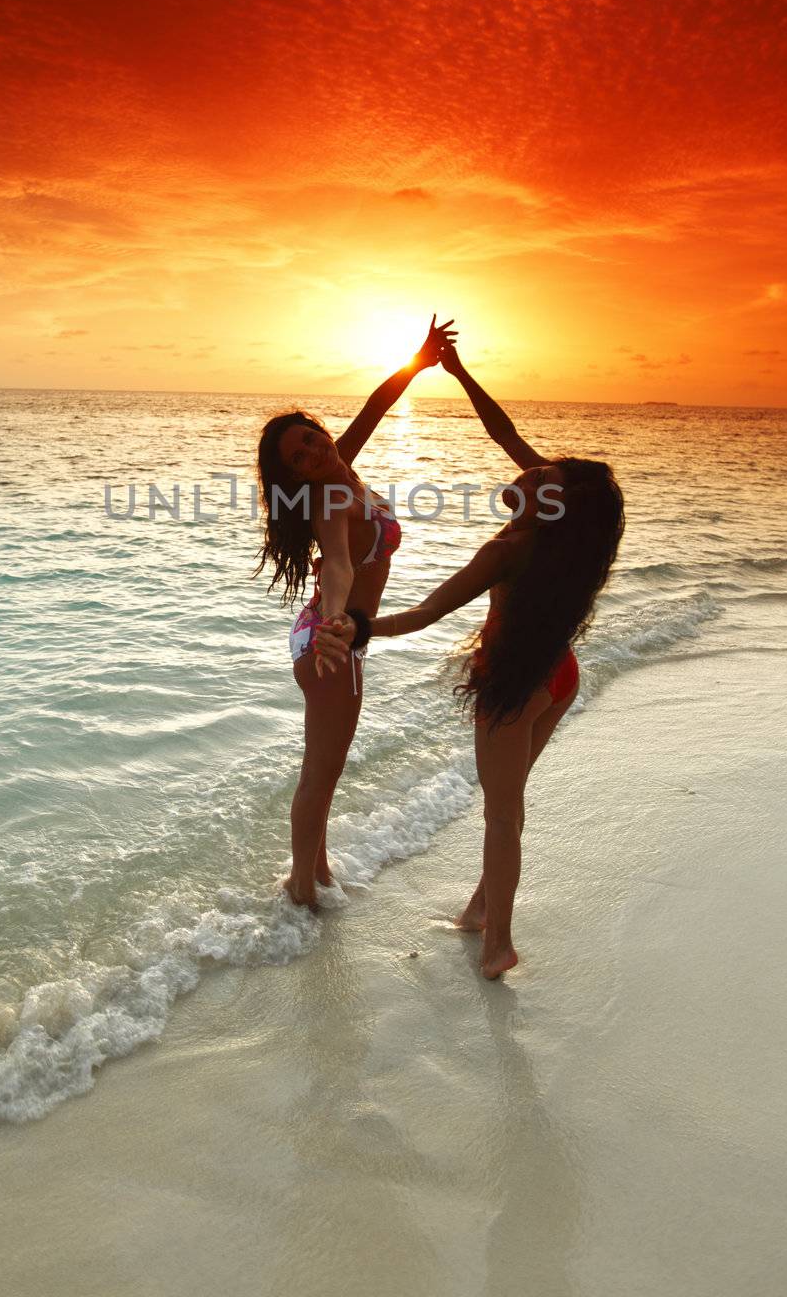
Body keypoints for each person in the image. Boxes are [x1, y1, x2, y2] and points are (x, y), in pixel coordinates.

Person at [315, 337, 625, 976]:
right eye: (539, 468)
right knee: (509, 804)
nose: (528, 472)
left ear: (553, 506)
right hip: (559, 673)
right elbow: (505, 433)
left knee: (501, 814)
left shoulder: (509, 549)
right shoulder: (569, 534)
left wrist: (359, 628)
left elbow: (428, 612)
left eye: (543, 479)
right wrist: (457, 372)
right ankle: (482, 909)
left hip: (515, 685)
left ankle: (497, 944)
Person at [255, 315, 458, 911]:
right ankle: (300, 898)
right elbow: (339, 564)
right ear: (294, 475)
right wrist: (336, 627)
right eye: (300, 455)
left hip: (339, 635)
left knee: (327, 768)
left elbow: (375, 404)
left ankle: (316, 875)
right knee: (320, 773)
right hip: (330, 638)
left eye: (313, 436)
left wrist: (419, 362)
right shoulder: (328, 497)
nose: (316, 449)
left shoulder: (341, 465)